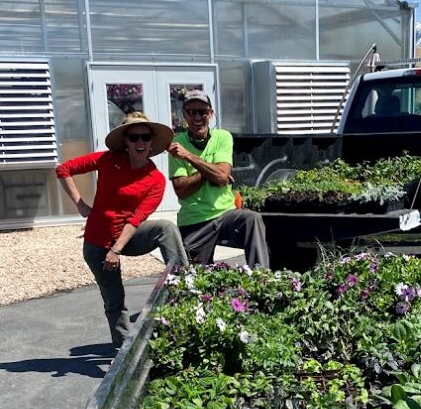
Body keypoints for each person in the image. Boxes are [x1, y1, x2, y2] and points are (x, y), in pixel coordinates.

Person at [56, 112, 188, 349]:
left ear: (151, 142)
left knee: (165, 228)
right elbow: (64, 169)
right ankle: (124, 351)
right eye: (134, 137)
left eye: (145, 137)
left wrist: (116, 249)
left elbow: (137, 219)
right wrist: (80, 204)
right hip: (97, 241)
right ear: (125, 141)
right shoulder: (108, 160)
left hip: (128, 238)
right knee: (114, 300)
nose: (140, 143)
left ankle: (183, 286)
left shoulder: (155, 179)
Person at [167, 90, 270, 268]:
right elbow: (182, 190)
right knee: (192, 277)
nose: (197, 116)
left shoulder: (222, 137)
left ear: (211, 113)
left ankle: (262, 279)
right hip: (194, 221)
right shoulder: (177, 144)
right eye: (192, 112)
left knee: (251, 218)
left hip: (226, 214)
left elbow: (222, 177)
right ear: (184, 114)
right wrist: (211, 170)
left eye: (202, 112)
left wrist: (189, 158)